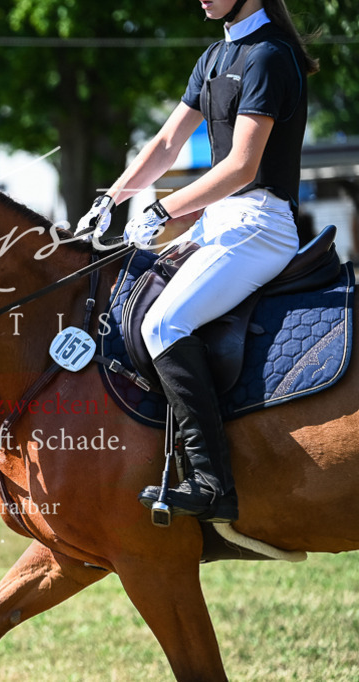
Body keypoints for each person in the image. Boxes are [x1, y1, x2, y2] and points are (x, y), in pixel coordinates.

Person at [77, 0, 317, 523]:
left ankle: (213, 484)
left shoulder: (268, 56)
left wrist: (165, 207)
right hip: (221, 221)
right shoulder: (214, 56)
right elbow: (166, 142)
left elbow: (241, 165)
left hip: (260, 223)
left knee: (165, 323)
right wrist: (111, 199)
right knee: (132, 303)